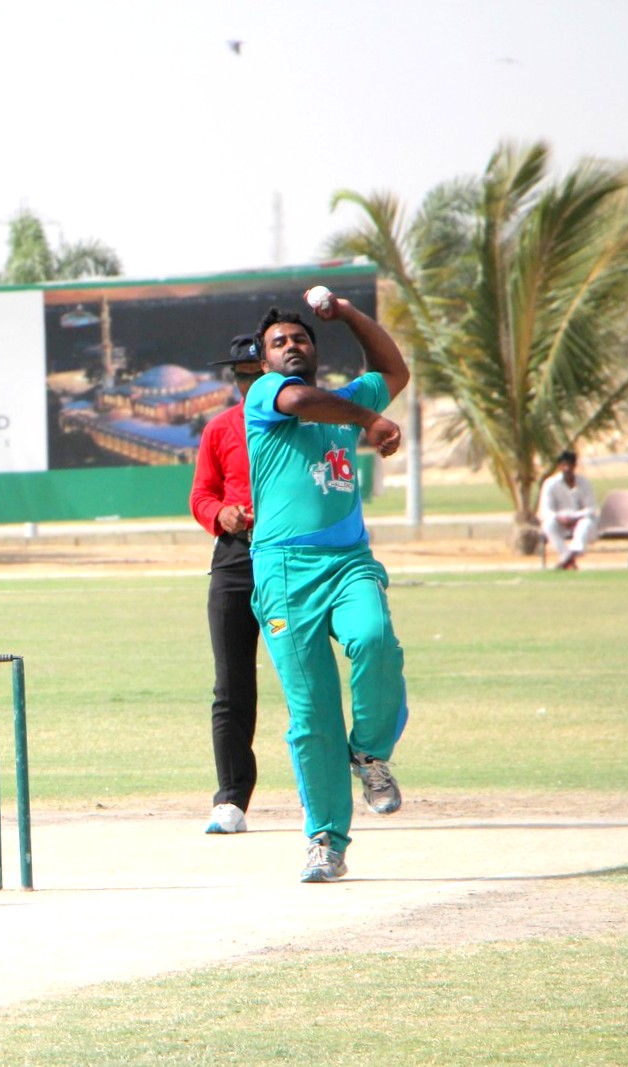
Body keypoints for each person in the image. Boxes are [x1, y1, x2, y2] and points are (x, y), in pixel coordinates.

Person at [243, 295, 411, 883]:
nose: (291, 346)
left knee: (374, 639)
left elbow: (394, 371)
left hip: (348, 561)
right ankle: (326, 840)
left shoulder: (345, 402)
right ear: (264, 360)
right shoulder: (266, 395)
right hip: (284, 572)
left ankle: (369, 752)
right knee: (312, 715)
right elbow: (299, 402)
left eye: (301, 338)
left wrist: (347, 312)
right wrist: (370, 421)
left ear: (315, 349)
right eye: (279, 342)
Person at [189, 333, 264, 835]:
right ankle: (231, 799)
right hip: (235, 558)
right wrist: (222, 514)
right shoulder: (220, 428)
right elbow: (200, 495)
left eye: (257, 374)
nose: (249, 384)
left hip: (291, 556)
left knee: (307, 679)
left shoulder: (301, 421)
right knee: (231, 685)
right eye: (241, 376)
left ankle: (324, 790)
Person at [538, 450, 599, 570]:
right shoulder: (550, 484)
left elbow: (591, 508)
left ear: (574, 466)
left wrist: (576, 517)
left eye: (570, 465)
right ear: (559, 466)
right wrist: (559, 517)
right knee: (548, 524)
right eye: (564, 465)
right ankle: (567, 557)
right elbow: (545, 510)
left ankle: (568, 557)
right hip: (560, 522)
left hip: (580, 522)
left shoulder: (584, 483)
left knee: (585, 523)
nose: (567, 468)